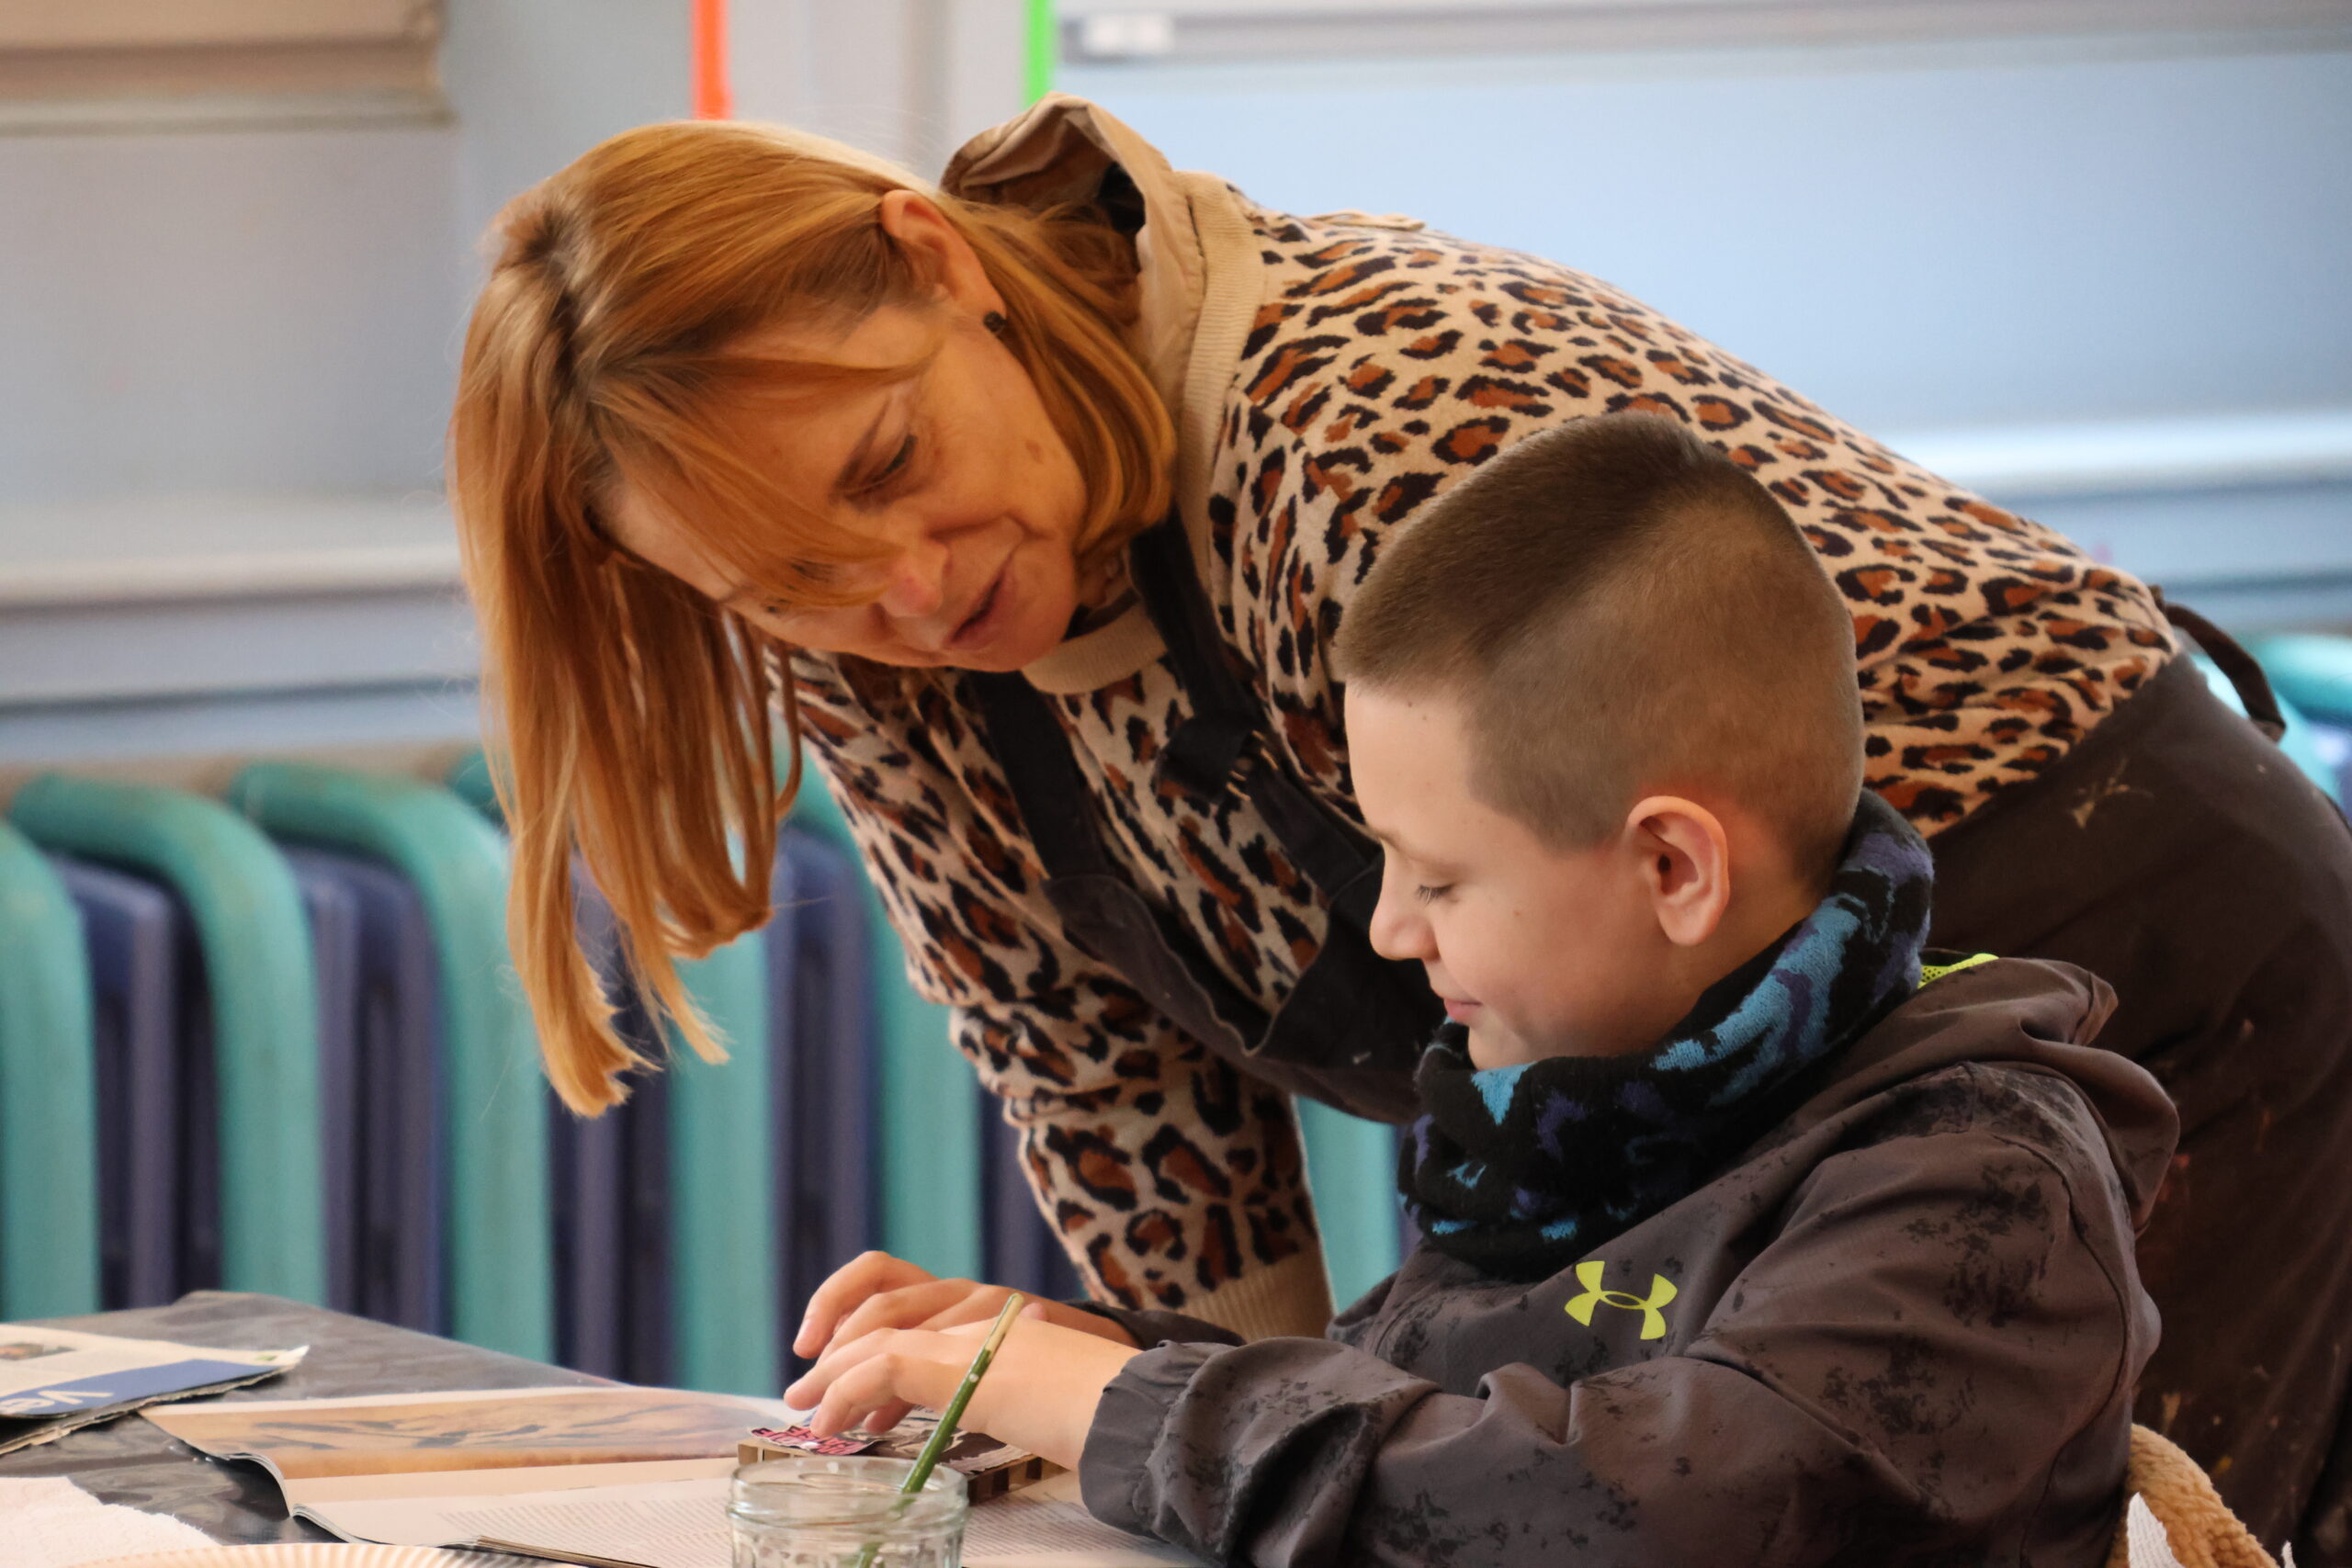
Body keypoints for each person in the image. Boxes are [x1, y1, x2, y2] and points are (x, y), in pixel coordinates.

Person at [447, 95, 2352, 1552]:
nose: (908, 588)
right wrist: (1128, 1394)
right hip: (1712, 1093)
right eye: (792, 581)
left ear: (932, 260)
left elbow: (1676, 1501)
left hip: (2139, 960)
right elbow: (1119, 1102)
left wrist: (1168, 1419)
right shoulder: (877, 634)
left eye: (892, 462)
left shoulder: (1369, 425)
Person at [783, 415, 2180, 1566]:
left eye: (1440, 878)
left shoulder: (1978, 1184)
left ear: (1673, 869)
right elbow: (1417, 1412)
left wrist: (1139, 1410)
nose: (1391, 930)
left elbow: (1640, 1516)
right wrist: (1097, 1357)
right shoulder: (1593, 1114)